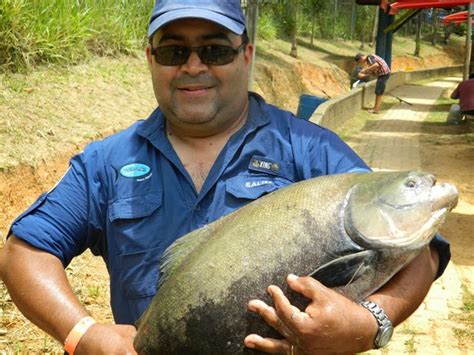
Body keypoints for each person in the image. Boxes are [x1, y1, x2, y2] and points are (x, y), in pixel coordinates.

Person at [1, 1, 450, 354]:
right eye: (175, 51)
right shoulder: (105, 162)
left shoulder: (310, 150)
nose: (194, 66)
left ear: (246, 55)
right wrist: (81, 332)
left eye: (215, 50)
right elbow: (25, 251)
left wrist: (370, 322)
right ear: (151, 59)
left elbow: (421, 250)